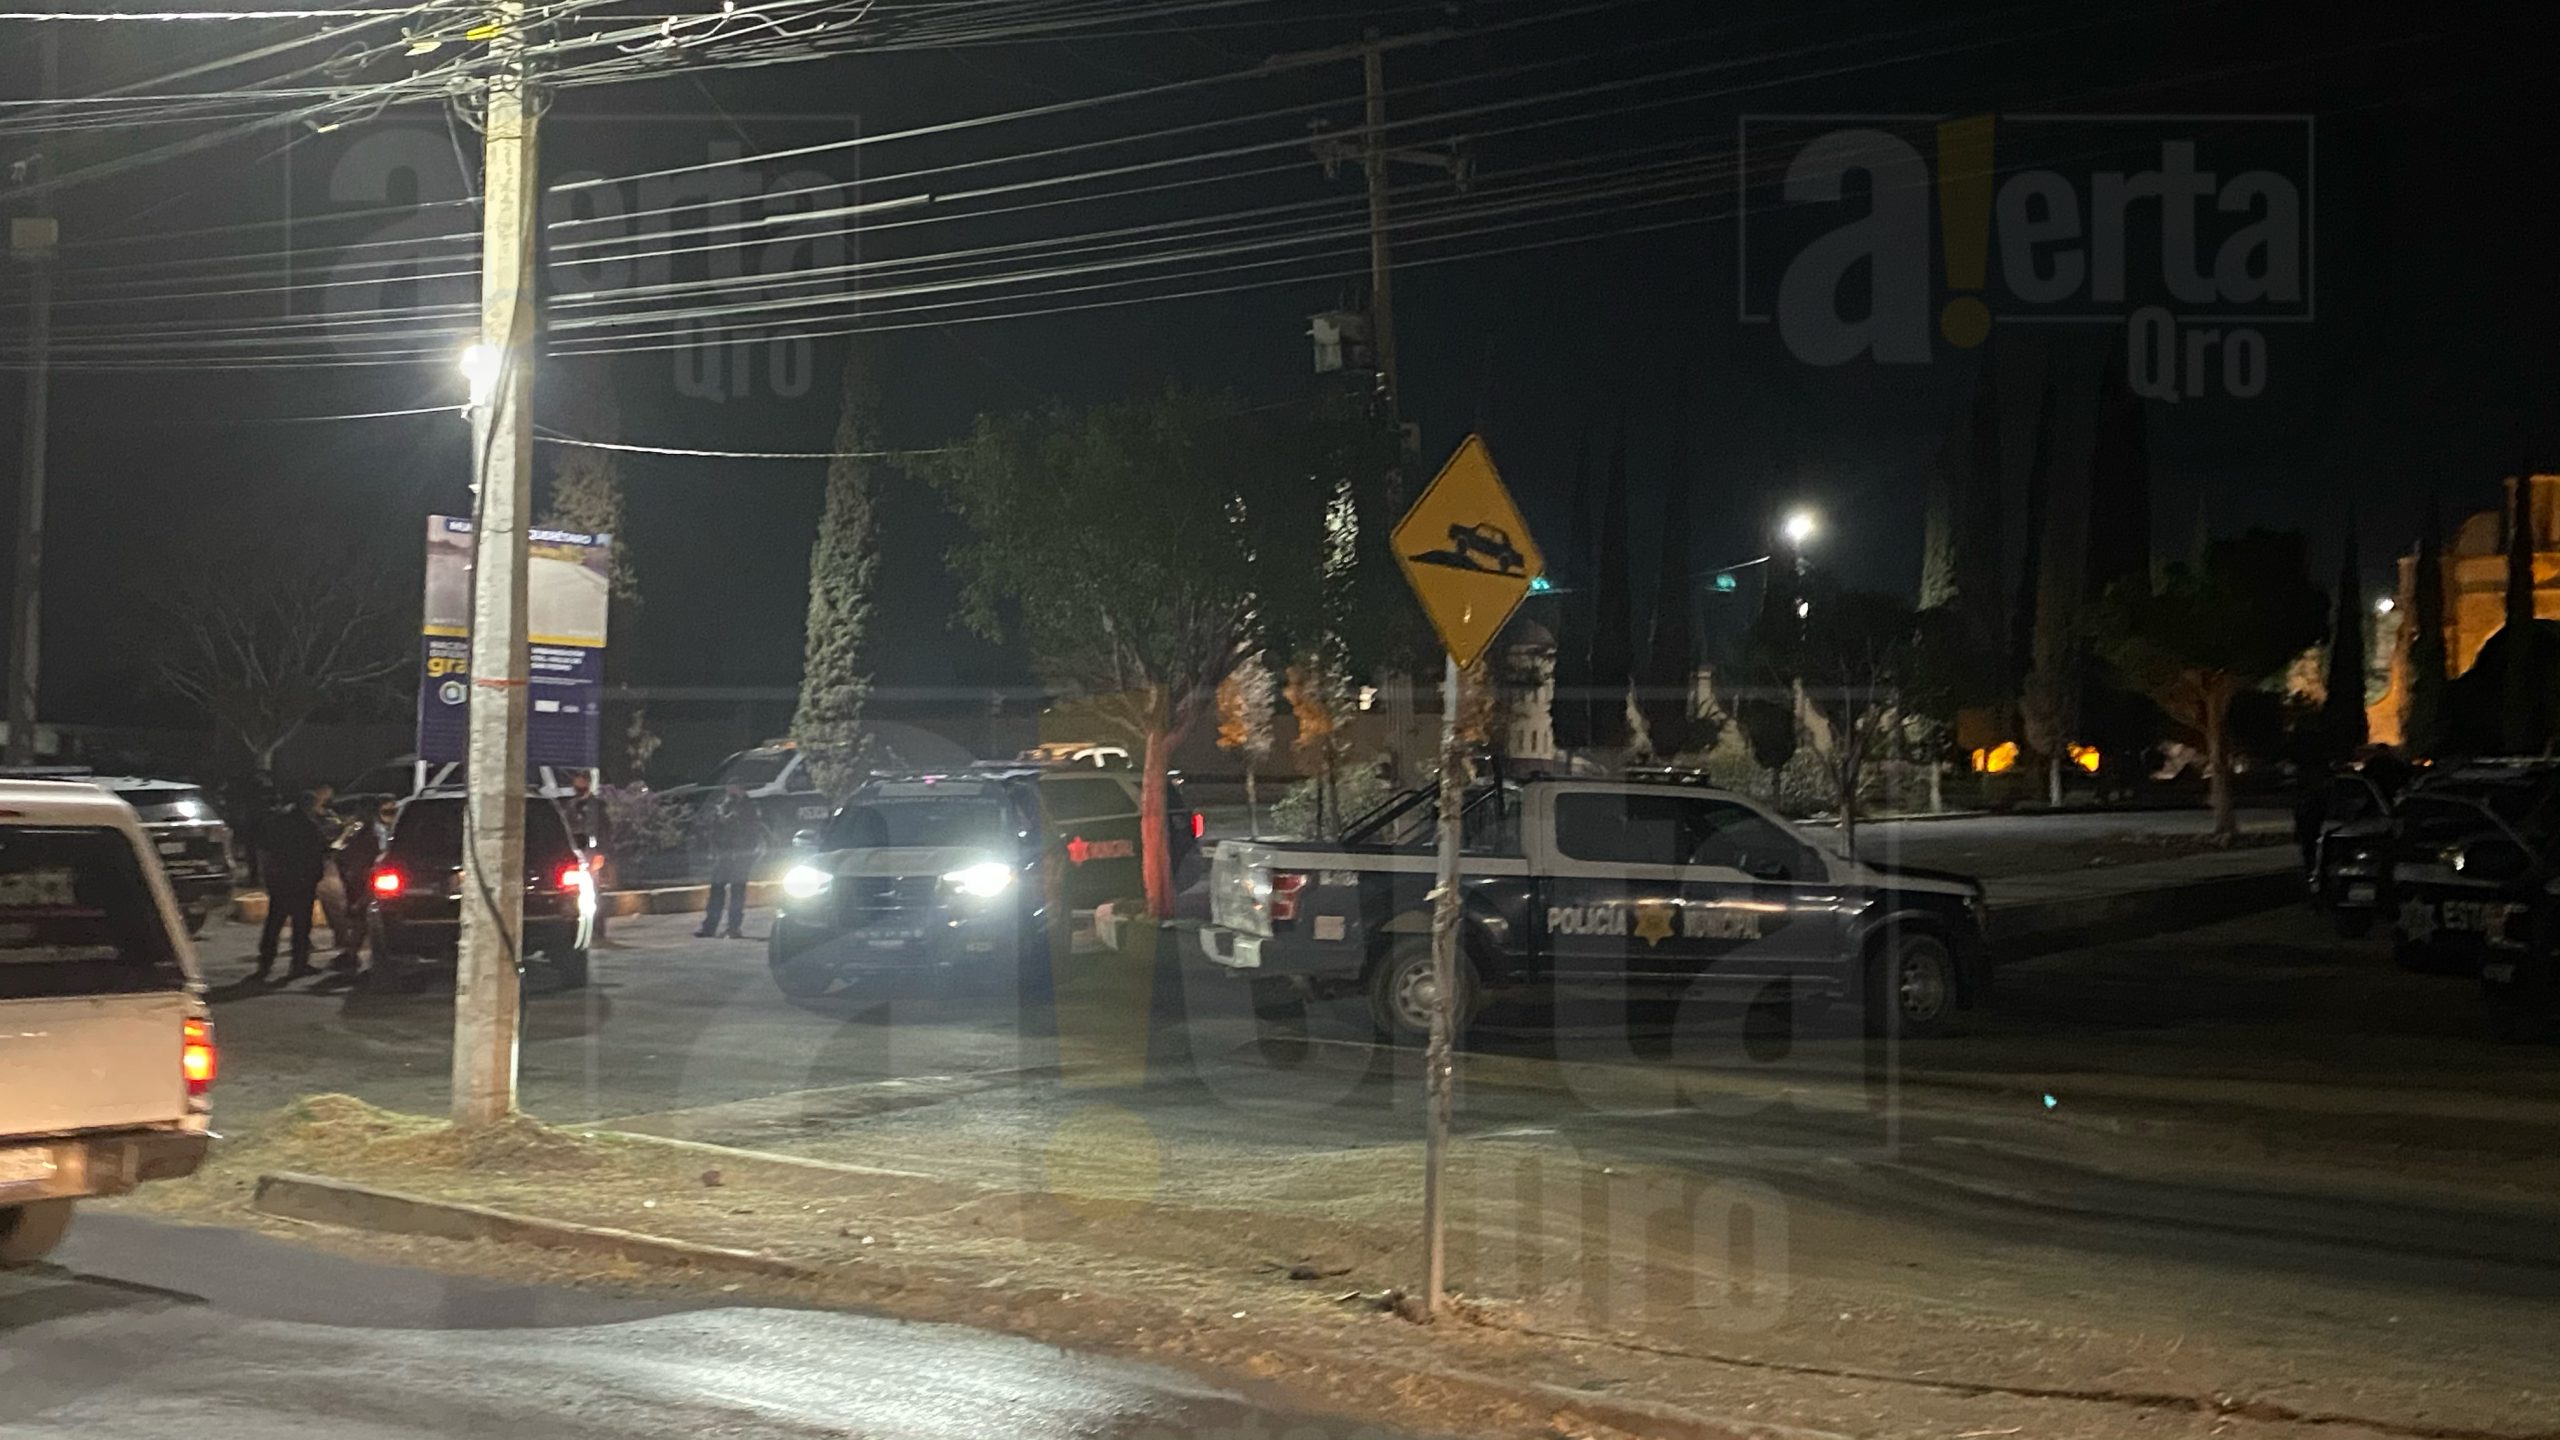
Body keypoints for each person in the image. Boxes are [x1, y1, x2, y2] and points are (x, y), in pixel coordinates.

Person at [254, 788, 333, 980]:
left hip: (280, 880)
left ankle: (265, 965)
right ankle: (298, 965)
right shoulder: (310, 826)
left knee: (274, 923)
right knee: (301, 925)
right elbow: (322, 850)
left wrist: (266, 876)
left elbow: (264, 850)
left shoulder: (278, 823)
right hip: (302, 881)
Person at [332, 797, 398, 971]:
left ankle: (356, 956)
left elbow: (380, 858)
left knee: (364, 917)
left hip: (367, 880)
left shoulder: (375, 832)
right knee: (359, 918)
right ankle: (353, 955)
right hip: (358, 880)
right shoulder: (362, 830)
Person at [697, 783, 768, 940]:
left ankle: (733, 927)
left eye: (732, 787)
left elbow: (746, 828)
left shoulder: (748, 806)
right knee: (716, 891)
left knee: (737, 892)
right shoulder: (725, 804)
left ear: (740, 788)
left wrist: (727, 819)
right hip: (724, 854)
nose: (729, 790)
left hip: (740, 856)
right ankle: (709, 926)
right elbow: (714, 826)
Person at [563, 769, 614, 944]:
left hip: (592, 853)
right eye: (575, 780)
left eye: (580, 780)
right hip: (575, 854)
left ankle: (597, 929)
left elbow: (605, 831)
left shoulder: (598, 806)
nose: (577, 784)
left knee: (593, 892)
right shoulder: (570, 805)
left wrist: (601, 853)